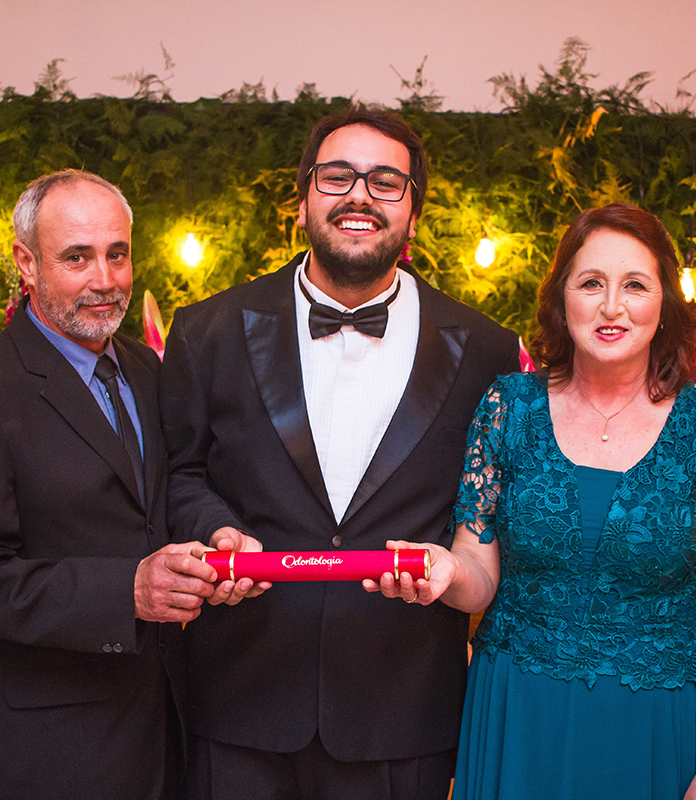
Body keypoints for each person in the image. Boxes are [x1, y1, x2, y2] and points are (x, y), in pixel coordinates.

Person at [368, 203, 696, 799]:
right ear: (562, 300)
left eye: (635, 285)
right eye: (591, 283)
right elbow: (478, 573)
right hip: (520, 715)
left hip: (658, 728)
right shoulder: (507, 408)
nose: (612, 306)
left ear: (664, 305)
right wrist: (442, 571)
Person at [161, 108, 520, 800]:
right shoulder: (206, 330)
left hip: (400, 711)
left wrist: (447, 565)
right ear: (301, 201)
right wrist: (215, 531)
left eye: (387, 182)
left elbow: (486, 515)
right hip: (240, 701)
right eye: (337, 177)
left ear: (414, 213)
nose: (359, 196)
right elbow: (178, 474)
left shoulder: (487, 351)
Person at [0, 169, 220, 800]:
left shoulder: (145, 370)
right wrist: (123, 590)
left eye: (117, 254)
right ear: (27, 263)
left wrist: (214, 539)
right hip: (46, 748)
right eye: (77, 257)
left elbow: (159, 503)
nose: (104, 280)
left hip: (160, 723)